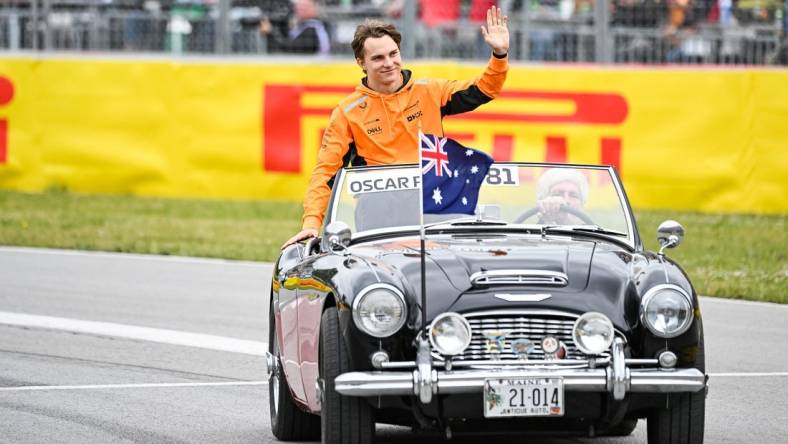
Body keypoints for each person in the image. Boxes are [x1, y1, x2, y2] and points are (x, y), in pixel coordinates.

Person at [282, 5, 510, 247]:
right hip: (379, 211)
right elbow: (325, 173)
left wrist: (499, 55)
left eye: (393, 54)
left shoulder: (430, 91)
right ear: (361, 62)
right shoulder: (347, 113)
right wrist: (310, 225)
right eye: (378, 58)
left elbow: (484, 90)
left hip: (433, 202)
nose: (388, 63)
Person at [259, 0, 331, 55]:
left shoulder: (312, 28)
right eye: (299, 7)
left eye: (305, 7)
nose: (300, 10)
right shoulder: (304, 26)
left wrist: (270, 32)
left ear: (314, 8)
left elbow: (289, 49)